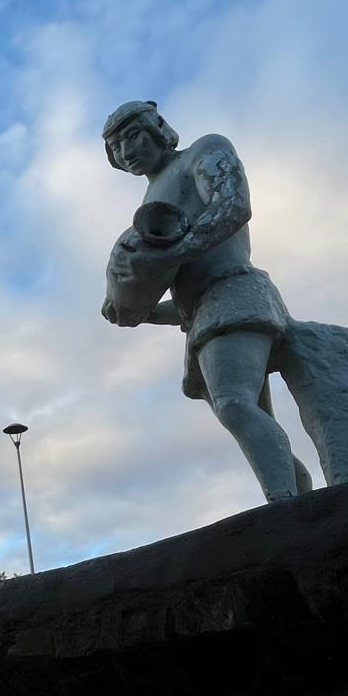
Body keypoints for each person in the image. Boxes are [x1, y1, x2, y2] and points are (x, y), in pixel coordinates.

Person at [100, 100, 311, 502]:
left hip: (234, 291)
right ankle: (299, 501)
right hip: (202, 316)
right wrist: (137, 312)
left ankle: (287, 510)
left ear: (158, 127)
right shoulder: (149, 200)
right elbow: (181, 299)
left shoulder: (204, 150)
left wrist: (172, 253)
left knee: (235, 405)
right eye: (115, 148)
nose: (125, 152)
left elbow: (233, 206)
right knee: (249, 421)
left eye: (131, 136)